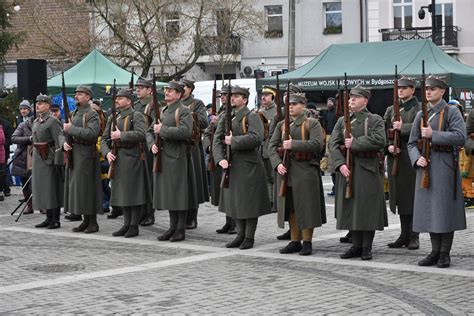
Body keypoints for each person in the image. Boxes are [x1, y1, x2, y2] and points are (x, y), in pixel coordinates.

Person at [407, 76, 466, 268]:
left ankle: (444, 253)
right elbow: (411, 143)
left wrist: (435, 135)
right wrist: (417, 158)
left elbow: (460, 136)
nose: (429, 92)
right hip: (426, 166)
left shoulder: (451, 111)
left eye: (433, 89)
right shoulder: (420, 114)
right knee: (430, 210)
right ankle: (434, 251)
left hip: (445, 164)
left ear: (442, 91)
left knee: (444, 210)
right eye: (427, 89)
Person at [329, 85, 387, 260]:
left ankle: (366, 247)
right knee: (351, 208)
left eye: (356, 97)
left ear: (365, 100)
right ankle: (356, 245)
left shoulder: (374, 119)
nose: (351, 100)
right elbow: (333, 143)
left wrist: (355, 143)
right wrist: (339, 165)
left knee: (366, 209)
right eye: (350, 97)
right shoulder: (342, 121)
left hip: (367, 168)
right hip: (347, 169)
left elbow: (380, 140)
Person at [213, 85, 272, 250]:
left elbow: (257, 138)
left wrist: (235, 141)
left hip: (249, 164)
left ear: (245, 99)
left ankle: (249, 237)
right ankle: (240, 235)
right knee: (236, 201)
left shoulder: (252, 116)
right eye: (232, 96)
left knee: (249, 202)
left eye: (237, 96)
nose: (232, 98)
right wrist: (219, 160)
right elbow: (217, 140)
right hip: (232, 164)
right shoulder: (226, 116)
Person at [269, 92, 326, 255]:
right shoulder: (281, 125)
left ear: (303, 106)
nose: (291, 107)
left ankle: (307, 242)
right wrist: (277, 163)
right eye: (289, 104)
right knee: (292, 207)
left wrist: (293, 144)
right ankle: (295, 241)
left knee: (307, 207)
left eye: (295, 104)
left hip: (306, 169)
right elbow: (271, 146)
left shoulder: (312, 123)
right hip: (287, 171)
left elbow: (317, 144)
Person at [147, 81, 193, 242]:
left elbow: (186, 132)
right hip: (162, 155)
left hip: (176, 156)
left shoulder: (184, 111)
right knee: (168, 194)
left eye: (171, 91)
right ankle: (172, 227)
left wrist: (163, 130)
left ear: (179, 94)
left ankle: (180, 229)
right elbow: (149, 131)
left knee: (178, 194)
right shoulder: (165, 110)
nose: (166, 93)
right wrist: (151, 144)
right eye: (166, 90)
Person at [102, 89, 150, 238]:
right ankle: (126, 224)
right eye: (116, 98)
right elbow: (104, 138)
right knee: (122, 192)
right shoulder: (113, 117)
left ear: (129, 101)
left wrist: (121, 135)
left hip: (132, 157)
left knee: (132, 193)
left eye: (120, 98)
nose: (116, 101)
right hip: (117, 158)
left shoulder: (136, 115)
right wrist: (107, 153)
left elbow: (142, 134)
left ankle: (133, 225)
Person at [383, 77, 421, 250]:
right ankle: (404, 234)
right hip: (395, 157)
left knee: (412, 198)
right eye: (399, 88)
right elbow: (383, 131)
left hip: (411, 157)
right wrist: (388, 146)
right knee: (399, 198)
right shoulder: (391, 109)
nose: (401, 91)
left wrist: (403, 127)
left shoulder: (419, 108)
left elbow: (422, 127)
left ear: (413, 90)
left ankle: (414, 235)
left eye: (405, 88)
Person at [61, 86, 103, 233]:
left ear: (88, 97)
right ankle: (85, 220)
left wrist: (71, 129)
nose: (77, 96)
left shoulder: (92, 114)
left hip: (86, 154)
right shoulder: (74, 113)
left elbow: (92, 134)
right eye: (76, 94)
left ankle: (93, 222)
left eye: (80, 94)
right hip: (75, 153)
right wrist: (64, 142)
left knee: (87, 188)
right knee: (79, 189)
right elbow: (64, 132)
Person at [202, 85, 236, 234]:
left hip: (233, 155)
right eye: (221, 95)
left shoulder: (234, 114)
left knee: (232, 190)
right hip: (220, 154)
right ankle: (228, 221)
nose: (222, 97)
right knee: (224, 190)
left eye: (225, 95)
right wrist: (209, 147)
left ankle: (235, 223)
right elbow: (208, 132)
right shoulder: (221, 114)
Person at [31, 94, 64, 229]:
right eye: (37, 103)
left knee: (52, 189)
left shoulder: (52, 121)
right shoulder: (36, 121)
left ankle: (55, 219)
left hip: (49, 158)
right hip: (39, 158)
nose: (38, 105)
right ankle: (48, 217)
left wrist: (57, 161)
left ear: (48, 106)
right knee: (43, 189)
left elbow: (59, 142)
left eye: (41, 103)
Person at [180, 78, 209, 229]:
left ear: (190, 89)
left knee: (193, 182)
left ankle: (192, 217)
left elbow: (204, 122)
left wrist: (188, 115)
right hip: (177, 146)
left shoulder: (196, 103)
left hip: (192, 146)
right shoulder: (172, 104)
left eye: (183, 86)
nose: (181, 89)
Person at [134, 78, 154, 225]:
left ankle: (149, 213)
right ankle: (139, 212)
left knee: (148, 182)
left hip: (147, 147)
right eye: (137, 87)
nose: (138, 89)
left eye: (142, 87)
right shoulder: (135, 106)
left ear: (149, 90)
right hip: (135, 146)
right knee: (138, 182)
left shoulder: (153, 106)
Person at [258, 85, 277, 211]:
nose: (263, 97)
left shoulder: (276, 112)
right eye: (262, 95)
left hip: (271, 148)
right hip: (261, 149)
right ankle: (269, 201)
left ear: (273, 97)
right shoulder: (259, 112)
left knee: (274, 177)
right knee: (266, 178)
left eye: (266, 95)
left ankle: (275, 202)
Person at [11, 114, 34, 213]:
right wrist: (29, 139)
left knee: (39, 183)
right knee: (25, 182)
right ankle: (30, 206)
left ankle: (42, 205)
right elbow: (14, 138)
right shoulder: (23, 125)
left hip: (39, 156)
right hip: (23, 158)